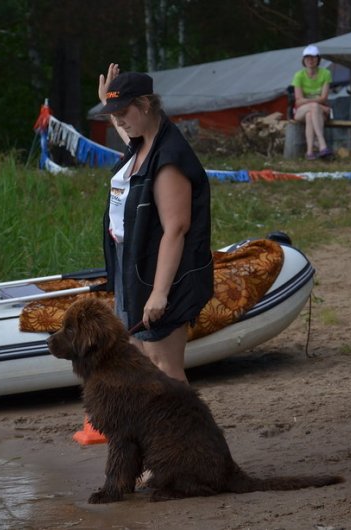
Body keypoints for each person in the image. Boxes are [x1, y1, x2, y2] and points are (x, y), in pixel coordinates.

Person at [96, 63, 213, 384]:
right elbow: (127, 131)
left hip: (158, 270)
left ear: (145, 104)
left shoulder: (169, 158)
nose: (118, 120)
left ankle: (185, 418)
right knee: (140, 357)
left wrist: (159, 293)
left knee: (163, 362)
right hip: (131, 263)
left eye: (123, 111)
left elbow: (176, 229)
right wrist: (109, 102)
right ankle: (155, 419)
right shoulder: (143, 140)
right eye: (114, 113)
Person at [292, 45, 333, 160]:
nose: (310, 60)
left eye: (313, 57)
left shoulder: (326, 73)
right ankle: (322, 144)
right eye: (307, 57)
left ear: (318, 59)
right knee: (314, 107)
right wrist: (319, 104)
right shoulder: (298, 75)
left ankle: (309, 152)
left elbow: (323, 98)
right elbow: (298, 101)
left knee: (310, 115)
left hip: (317, 113)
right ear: (303, 60)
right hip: (301, 111)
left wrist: (309, 102)